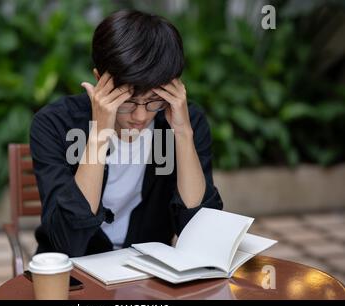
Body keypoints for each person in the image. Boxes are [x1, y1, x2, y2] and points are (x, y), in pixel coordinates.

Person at [30, 9, 223, 257]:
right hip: (75, 273)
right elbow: (66, 242)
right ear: (100, 80)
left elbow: (202, 234)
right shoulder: (55, 124)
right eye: (128, 101)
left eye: (154, 100)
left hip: (146, 272)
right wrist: (99, 134)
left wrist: (183, 134)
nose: (141, 116)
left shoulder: (185, 121)